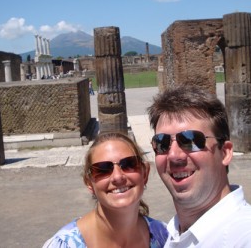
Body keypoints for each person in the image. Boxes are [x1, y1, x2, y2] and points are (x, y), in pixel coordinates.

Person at [147, 85, 251, 247]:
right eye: (162, 143)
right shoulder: (172, 232)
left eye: (191, 140)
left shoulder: (243, 235)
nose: (174, 155)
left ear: (225, 152)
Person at [42, 132, 168, 247]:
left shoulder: (165, 237)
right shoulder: (64, 244)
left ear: (145, 174)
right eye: (102, 169)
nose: (118, 177)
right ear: (89, 183)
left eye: (129, 164)